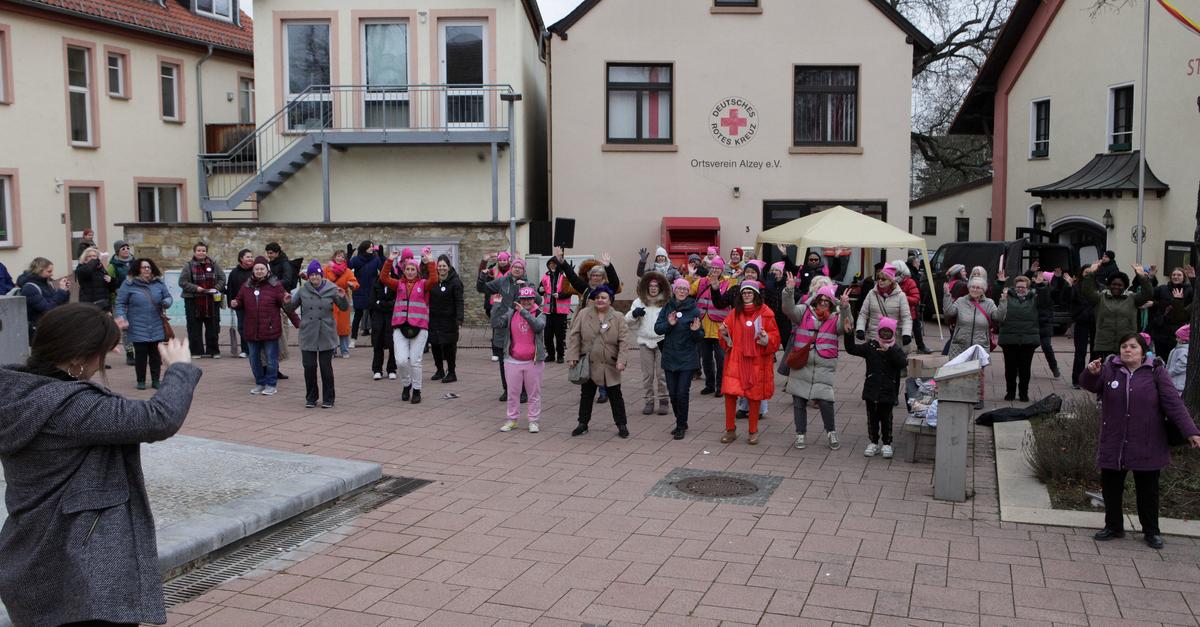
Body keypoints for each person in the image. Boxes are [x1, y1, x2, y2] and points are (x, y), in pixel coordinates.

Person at [0, 304, 201, 627]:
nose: (102, 362)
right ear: (77, 358)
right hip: (81, 570)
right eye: (101, 353)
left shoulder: (20, 391)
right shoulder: (68, 406)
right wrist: (179, 369)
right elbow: (158, 418)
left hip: (32, 555)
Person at [1079, 333, 1200, 550]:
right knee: (1111, 488)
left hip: (1147, 442)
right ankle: (1113, 526)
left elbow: (1174, 404)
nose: (1127, 350)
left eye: (1133, 346)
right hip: (1114, 441)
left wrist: (1191, 431)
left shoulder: (1155, 371)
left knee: (1148, 490)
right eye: (1124, 346)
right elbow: (1089, 384)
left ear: (1143, 351)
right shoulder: (1110, 369)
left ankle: (1151, 531)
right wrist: (1091, 373)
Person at [782, 282, 850, 450]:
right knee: (799, 400)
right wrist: (789, 291)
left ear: (831, 302)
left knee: (826, 401)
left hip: (824, 364)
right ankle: (800, 434)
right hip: (801, 362)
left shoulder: (836, 317)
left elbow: (845, 326)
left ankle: (831, 432)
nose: (823, 303)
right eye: (821, 299)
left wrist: (845, 307)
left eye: (827, 300)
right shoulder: (803, 312)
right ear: (816, 300)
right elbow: (788, 309)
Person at [717, 281, 780, 445]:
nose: (746, 295)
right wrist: (724, 333)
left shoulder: (766, 313)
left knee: (754, 396)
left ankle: (753, 431)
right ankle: (730, 430)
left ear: (756, 295)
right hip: (736, 360)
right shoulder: (734, 313)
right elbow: (725, 336)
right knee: (730, 394)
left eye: (750, 292)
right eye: (744, 293)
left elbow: (775, 338)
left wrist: (767, 339)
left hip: (756, 361)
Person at [566, 286, 632, 438]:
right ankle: (582, 424)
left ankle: (622, 425)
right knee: (586, 395)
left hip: (610, 363)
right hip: (589, 362)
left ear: (610, 300)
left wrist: (622, 360)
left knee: (615, 396)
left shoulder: (618, 317)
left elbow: (624, 341)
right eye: (597, 298)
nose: (600, 300)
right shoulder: (584, 314)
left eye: (603, 297)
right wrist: (572, 355)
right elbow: (575, 336)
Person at [230, 256, 300, 396]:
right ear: (253, 270)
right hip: (251, 329)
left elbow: (287, 306)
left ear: (267, 270)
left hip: (270, 329)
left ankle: (271, 384)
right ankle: (260, 383)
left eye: (262, 268)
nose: (259, 271)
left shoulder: (276, 285)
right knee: (254, 359)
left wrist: (297, 322)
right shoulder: (246, 286)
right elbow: (239, 300)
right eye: (257, 269)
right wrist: (235, 303)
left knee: (271, 359)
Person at [284, 260, 348, 409]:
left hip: (326, 332)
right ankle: (311, 398)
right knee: (309, 367)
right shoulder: (303, 290)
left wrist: (343, 297)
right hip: (308, 332)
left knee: (326, 368)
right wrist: (287, 302)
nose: (314, 277)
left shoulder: (332, 288)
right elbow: (291, 308)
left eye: (316, 274)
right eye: (311, 275)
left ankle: (329, 398)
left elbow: (344, 308)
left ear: (321, 275)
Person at [843, 315, 907, 458]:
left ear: (893, 333)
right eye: (882, 331)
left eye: (888, 331)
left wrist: (889, 351)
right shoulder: (871, 346)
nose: (885, 334)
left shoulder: (895, 348)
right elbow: (852, 349)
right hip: (872, 389)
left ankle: (887, 443)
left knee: (886, 418)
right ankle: (873, 442)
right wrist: (848, 333)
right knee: (872, 418)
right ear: (878, 331)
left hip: (888, 390)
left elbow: (903, 363)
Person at [379, 249, 438, 404]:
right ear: (404, 271)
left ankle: (417, 390)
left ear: (417, 271)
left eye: (413, 269)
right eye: (407, 269)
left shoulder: (423, 284)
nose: (410, 272)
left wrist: (431, 261)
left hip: (420, 327)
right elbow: (383, 277)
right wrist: (389, 260)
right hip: (400, 326)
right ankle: (407, 384)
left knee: (415, 362)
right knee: (401, 361)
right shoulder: (398, 284)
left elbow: (434, 279)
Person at [478, 254, 537, 402]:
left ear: (524, 270)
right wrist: (482, 276)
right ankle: (507, 389)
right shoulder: (502, 281)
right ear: (511, 268)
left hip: (521, 328)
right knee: (503, 361)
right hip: (503, 326)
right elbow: (482, 288)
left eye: (520, 267)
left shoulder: (528, 283)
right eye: (515, 267)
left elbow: (538, 300)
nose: (517, 269)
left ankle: (523, 391)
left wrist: (525, 286)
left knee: (521, 360)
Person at [655, 278, 703, 440]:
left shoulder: (694, 310)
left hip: (687, 358)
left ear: (688, 292)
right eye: (679, 288)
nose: (682, 291)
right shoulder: (667, 307)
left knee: (682, 393)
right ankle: (681, 420)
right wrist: (669, 324)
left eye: (685, 289)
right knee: (673, 394)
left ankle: (681, 425)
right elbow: (657, 329)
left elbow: (700, 336)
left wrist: (696, 331)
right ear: (674, 290)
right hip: (670, 356)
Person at [115, 258, 174, 390]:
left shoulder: (159, 283)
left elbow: (168, 296)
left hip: (156, 323)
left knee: (156, 355)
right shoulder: (129, 284)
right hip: (137, 324)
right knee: (140, 355)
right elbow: (120, 303)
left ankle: (155, 380)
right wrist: (122, 317)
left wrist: (167, 302)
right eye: (143, 267)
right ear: (138, 269)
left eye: (149, 267)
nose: (147, 269)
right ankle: (141, 380)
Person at [495, 286, 546, 433]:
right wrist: (496, 306)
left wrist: (524, 312)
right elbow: (497, 323)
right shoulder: (512, 313)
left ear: (534, 299)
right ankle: (512, 420)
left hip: (533, 361)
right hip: (512, 360)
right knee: (512, 393)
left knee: (533, 394)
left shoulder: (540, 314)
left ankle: (533, 421)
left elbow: (538, 327)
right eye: (524, 299)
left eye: (529, 299)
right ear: (520, 300)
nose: (527, 302)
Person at [1080, 261, 1152, 363]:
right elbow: (1086, 291)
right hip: (1103, 346)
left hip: (1126, 345)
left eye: (1120, 285)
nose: (1116, 287)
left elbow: (1148, 293)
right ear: (1109, 285)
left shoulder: (1133, 298)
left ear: (1125, 286)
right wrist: (1091, 273)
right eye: (1113, 284)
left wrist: (1142, 277)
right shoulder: (1100, 298)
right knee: (1104, 372)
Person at [996, 272, 1049, 402]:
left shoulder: (1034, 297)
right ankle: (1010, 392)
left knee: (1025, 369)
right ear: (1015, 287)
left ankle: (1023, 393)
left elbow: (1045, 301)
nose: (1020, 289)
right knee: (1010, 368)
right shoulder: (1007, 296)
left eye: (1023, 287)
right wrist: (1000, 283)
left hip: (1028, 340)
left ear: (1028, 287)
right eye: (1018, 286)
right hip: (1009, 339)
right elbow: (995, 296)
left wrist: (1041, 285)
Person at [626, 271, 670, 416]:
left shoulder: (666, 302)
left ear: (660, 287)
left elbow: (672, 321)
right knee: (648, 375)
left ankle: (663, 400)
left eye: (656, 286)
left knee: (661, 374)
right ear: (646, 287)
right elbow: (627, 321)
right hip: (645, 342)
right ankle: (649, 401)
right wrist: (634, 314)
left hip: (662, 342)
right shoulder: (638, 302)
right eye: (651, 286)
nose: (653, 288)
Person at [692, 257, 734, 397]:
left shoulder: (728, 283)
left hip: (720, 328)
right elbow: (689, 291)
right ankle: (709, 385)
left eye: (718, 268)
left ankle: (720, 386)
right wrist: (689, 276)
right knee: (706, 359)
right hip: (703, 327)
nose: (715, 270)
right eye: (713, 267)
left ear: (722, 269)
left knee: (721, 359)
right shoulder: (701, 281)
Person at [178, 241, 226, 358]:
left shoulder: (214, 265)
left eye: (203, 250)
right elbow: (182, 282)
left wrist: (215, 288)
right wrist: (196, 288)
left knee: (213, 327)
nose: (201, 252)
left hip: (211, 300)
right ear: (194, 252)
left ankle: (213, 351)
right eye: (198, 250)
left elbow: (222, 278)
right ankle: (196, 351)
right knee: (194, 327)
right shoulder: (188, 266)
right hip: (193, 300)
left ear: (206, 252)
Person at [944, 274, 1006, 359]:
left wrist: (1003, 302)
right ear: (969, 288)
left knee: (977, 367)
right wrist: (947, 295)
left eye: (978, 288)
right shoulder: (961, 301)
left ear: (983, 290)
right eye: (972, 287)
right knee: (959, 367)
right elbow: (949, 313)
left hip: (980, 346)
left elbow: (999, 317)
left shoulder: (989, 303)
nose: (974, 290)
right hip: (960, 345)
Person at [855, 265, 913, 350]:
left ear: (891, 280)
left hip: (893, 340)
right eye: (878, 278)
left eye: (883, 279)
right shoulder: (871, 293)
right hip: (874, 338)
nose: (880, 281)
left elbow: (906, 318)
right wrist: (860, 329)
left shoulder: (901, 296)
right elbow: (863, 314)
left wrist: (906, 334)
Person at [429, 254, 464, 383]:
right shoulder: (433, 280)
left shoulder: (455, 282)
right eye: (439, 266)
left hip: (449, 319)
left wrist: (459, 317)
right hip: (434, 319)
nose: (442, 268)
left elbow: (459, 301)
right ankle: (439, 370)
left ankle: (451, 372)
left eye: (444, 266)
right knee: (435, 344)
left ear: (448, 267)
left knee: (449, 346)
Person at [16, 257, 70, 342]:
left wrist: (65, 291)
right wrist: (61, 292)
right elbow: (48, 309)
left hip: (50, 326)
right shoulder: (30, 288)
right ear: (39, 270)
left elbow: (59, 303)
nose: (52, 274)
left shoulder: (48, 284)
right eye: (49, 271)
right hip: (38, 330)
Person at [1149, 266, 1195, 359]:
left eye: (1179, 275)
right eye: (1174, 275)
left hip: (1179, 333)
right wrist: (1151, 278)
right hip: (1161, 332)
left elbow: (1197, 295)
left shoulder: (1189, 290)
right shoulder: (1163, 288)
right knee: (1161, 360)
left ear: (1184, 277)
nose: (1176, 277)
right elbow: (1149, 293)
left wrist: (1193, 279)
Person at [265, 242, 298, 366]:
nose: (269, 255)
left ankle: (284, 346)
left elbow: (288, 280)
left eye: (271, 253)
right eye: (268, 253)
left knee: (283, 322)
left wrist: (273, 284)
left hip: (284, 296)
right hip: (273, 296)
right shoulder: (270, 264)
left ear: (277, 252)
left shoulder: (285, 263)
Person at [368, 250, 399, 381]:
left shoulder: (396, 283)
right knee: (378, 344)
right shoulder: (375, 284)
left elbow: (396, 302)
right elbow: (372, 302)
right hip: (378, 318)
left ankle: (391, 369)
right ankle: (377, 369)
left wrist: (382, 303)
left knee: (392, 344)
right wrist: (383, 304)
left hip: (391, 318)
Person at [324, 249, 360, 358]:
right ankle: (332, 350)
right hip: (329, 300)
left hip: (342, 300)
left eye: (342, 257)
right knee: (330, 327)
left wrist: (352, 285)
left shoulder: (348, 271)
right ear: (334, 257)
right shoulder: (326, 269)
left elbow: (355, 282)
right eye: (338, 256)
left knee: (344, 327)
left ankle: (344, 350)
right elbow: (318, 279)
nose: (340, 258)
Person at [108, 240, 137, 364]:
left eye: (127, 248)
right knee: (126, 327)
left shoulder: (135, 262)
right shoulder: (113, 266)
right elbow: (109, 283)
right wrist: (116, 292)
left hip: (136, 299)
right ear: (117, 251)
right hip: (120, 300)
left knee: (137, 325)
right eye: (123, 248)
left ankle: (140, 351)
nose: (126, 250)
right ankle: (129, 353)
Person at [349, 240, 383, 345]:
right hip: (359, 290)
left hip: (372, 291)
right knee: (357, 316)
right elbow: (347, 268)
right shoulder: (356, 259)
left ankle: (375, 340)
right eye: (370, 246)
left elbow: (384, 270)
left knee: (374, 317)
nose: (372, 248)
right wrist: (348, 256)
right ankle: (353, 339)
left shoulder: (376, 259)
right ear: (364, 248)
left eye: (372, 246)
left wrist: (382, 257)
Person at [539, 255, 571, 363]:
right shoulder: (545, 276)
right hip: (548, 311)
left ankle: (560, 355)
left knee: (560, 336)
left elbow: (569, 291)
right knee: (547, 336)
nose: (552, 265)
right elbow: (540, 290)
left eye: (554, 264)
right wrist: (540, 290)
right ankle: (551, 355)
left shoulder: (564, 276)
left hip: (560, 312)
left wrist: (560, 295)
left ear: (558, 265)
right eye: (550, 264)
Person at [225, 248, 256, 358]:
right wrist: (231, 302)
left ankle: (255, 349)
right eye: (248, 257)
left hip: (255, 305)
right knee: (242, 327)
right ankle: (245, 349)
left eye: (251, 257)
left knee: (254, 327)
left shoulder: (256, 270)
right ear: (241, 259)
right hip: (240, 305)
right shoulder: (234, 272)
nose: (250, 259)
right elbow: (230, 288)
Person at [1068, 269, 1096, 389]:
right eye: (1086, 272)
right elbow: (1069, 301)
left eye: (1090, 272)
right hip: (1081, 321)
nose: (1088, 274)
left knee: (1095, 352)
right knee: (1080, 352)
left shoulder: (1099, 286)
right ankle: (1077, 379)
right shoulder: (1076, 287)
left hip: (1096, 322)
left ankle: (1091, 378)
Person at [1167, 324, 1189, 393]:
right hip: (1174, 382)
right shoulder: (1179, 348)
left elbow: (1182, 365)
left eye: (1178, 337)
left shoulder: (1184, 350)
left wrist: (1170, 372)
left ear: (1184, 339)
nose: (1176, 339)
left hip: (1178, 383)